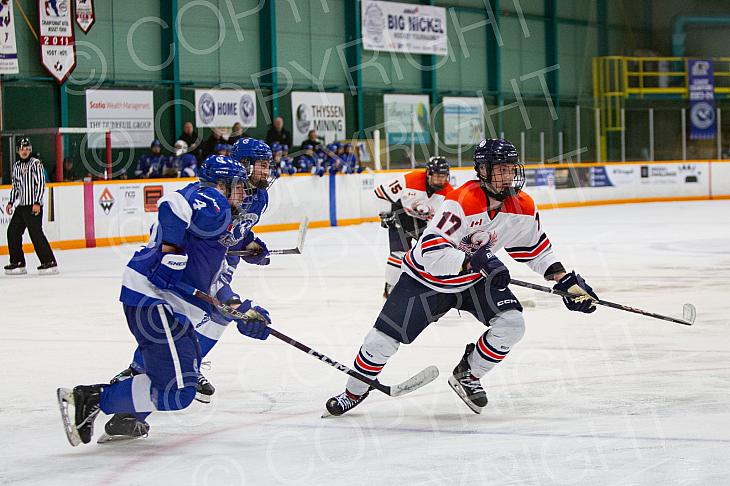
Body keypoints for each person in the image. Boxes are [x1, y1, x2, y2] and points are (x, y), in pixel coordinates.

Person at [325, 139, 599, 416]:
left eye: (511, 169)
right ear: (482, 170)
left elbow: (535, 249)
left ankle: (468, 373)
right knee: (380, 341)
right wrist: (477, 260)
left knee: (512, 323)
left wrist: (565, 281)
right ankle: (353, 392)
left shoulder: (523, 207)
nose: (508, 176)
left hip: (472, 281)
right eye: (500, 170)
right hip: (425, 280)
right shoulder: (461, 201)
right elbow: (431, 252)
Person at [56, 154, 274, 446]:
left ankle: (106, 404)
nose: (244, 193)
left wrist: (242, 313)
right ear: (222, 185)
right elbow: (172, 205)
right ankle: (97, 399)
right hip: (152, 299)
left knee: (177, 391)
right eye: (238, 186)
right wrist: (171, 251)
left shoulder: (223, 223)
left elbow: (215, 286)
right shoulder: (212, 200)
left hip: (162, 303)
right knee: (177, 389)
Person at [104, 138, 276, 425]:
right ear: (243, 167)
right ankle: (138, 372)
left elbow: (234, 233)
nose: (267, 172)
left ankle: (180, 371)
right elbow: (176, 212)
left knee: (211, 317)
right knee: (184, 319)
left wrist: (249, 245)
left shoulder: (256, 197)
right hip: (182, 268)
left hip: (216, 262)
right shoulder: (212, 194)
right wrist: (173, 253)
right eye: (262, 165)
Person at [374, 156, 453, 298]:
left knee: (431, 256)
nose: (441, 181)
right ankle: (391, 289)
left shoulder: (449, 194)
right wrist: (385, 214)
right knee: (398, 256)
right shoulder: (410, 180)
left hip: (424, 225)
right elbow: (381, 192)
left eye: (444, 177)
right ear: (428, 174)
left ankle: (428, 289)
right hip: (400, 218)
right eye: (437, 177)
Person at [4, 137, 58, 275]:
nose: (24, 151)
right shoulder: (16, 166)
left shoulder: (35, 164)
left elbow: (40, 183)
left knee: (36, 234)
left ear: (30, 150)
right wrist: (11, 202)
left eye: (27, 148)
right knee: (13, 232)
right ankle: (17, 262)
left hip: (33, 205)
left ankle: (49, 262)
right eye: (22, 148)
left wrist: (37, 202)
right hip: (22, 206)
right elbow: (16, 186)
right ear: (18, 150)